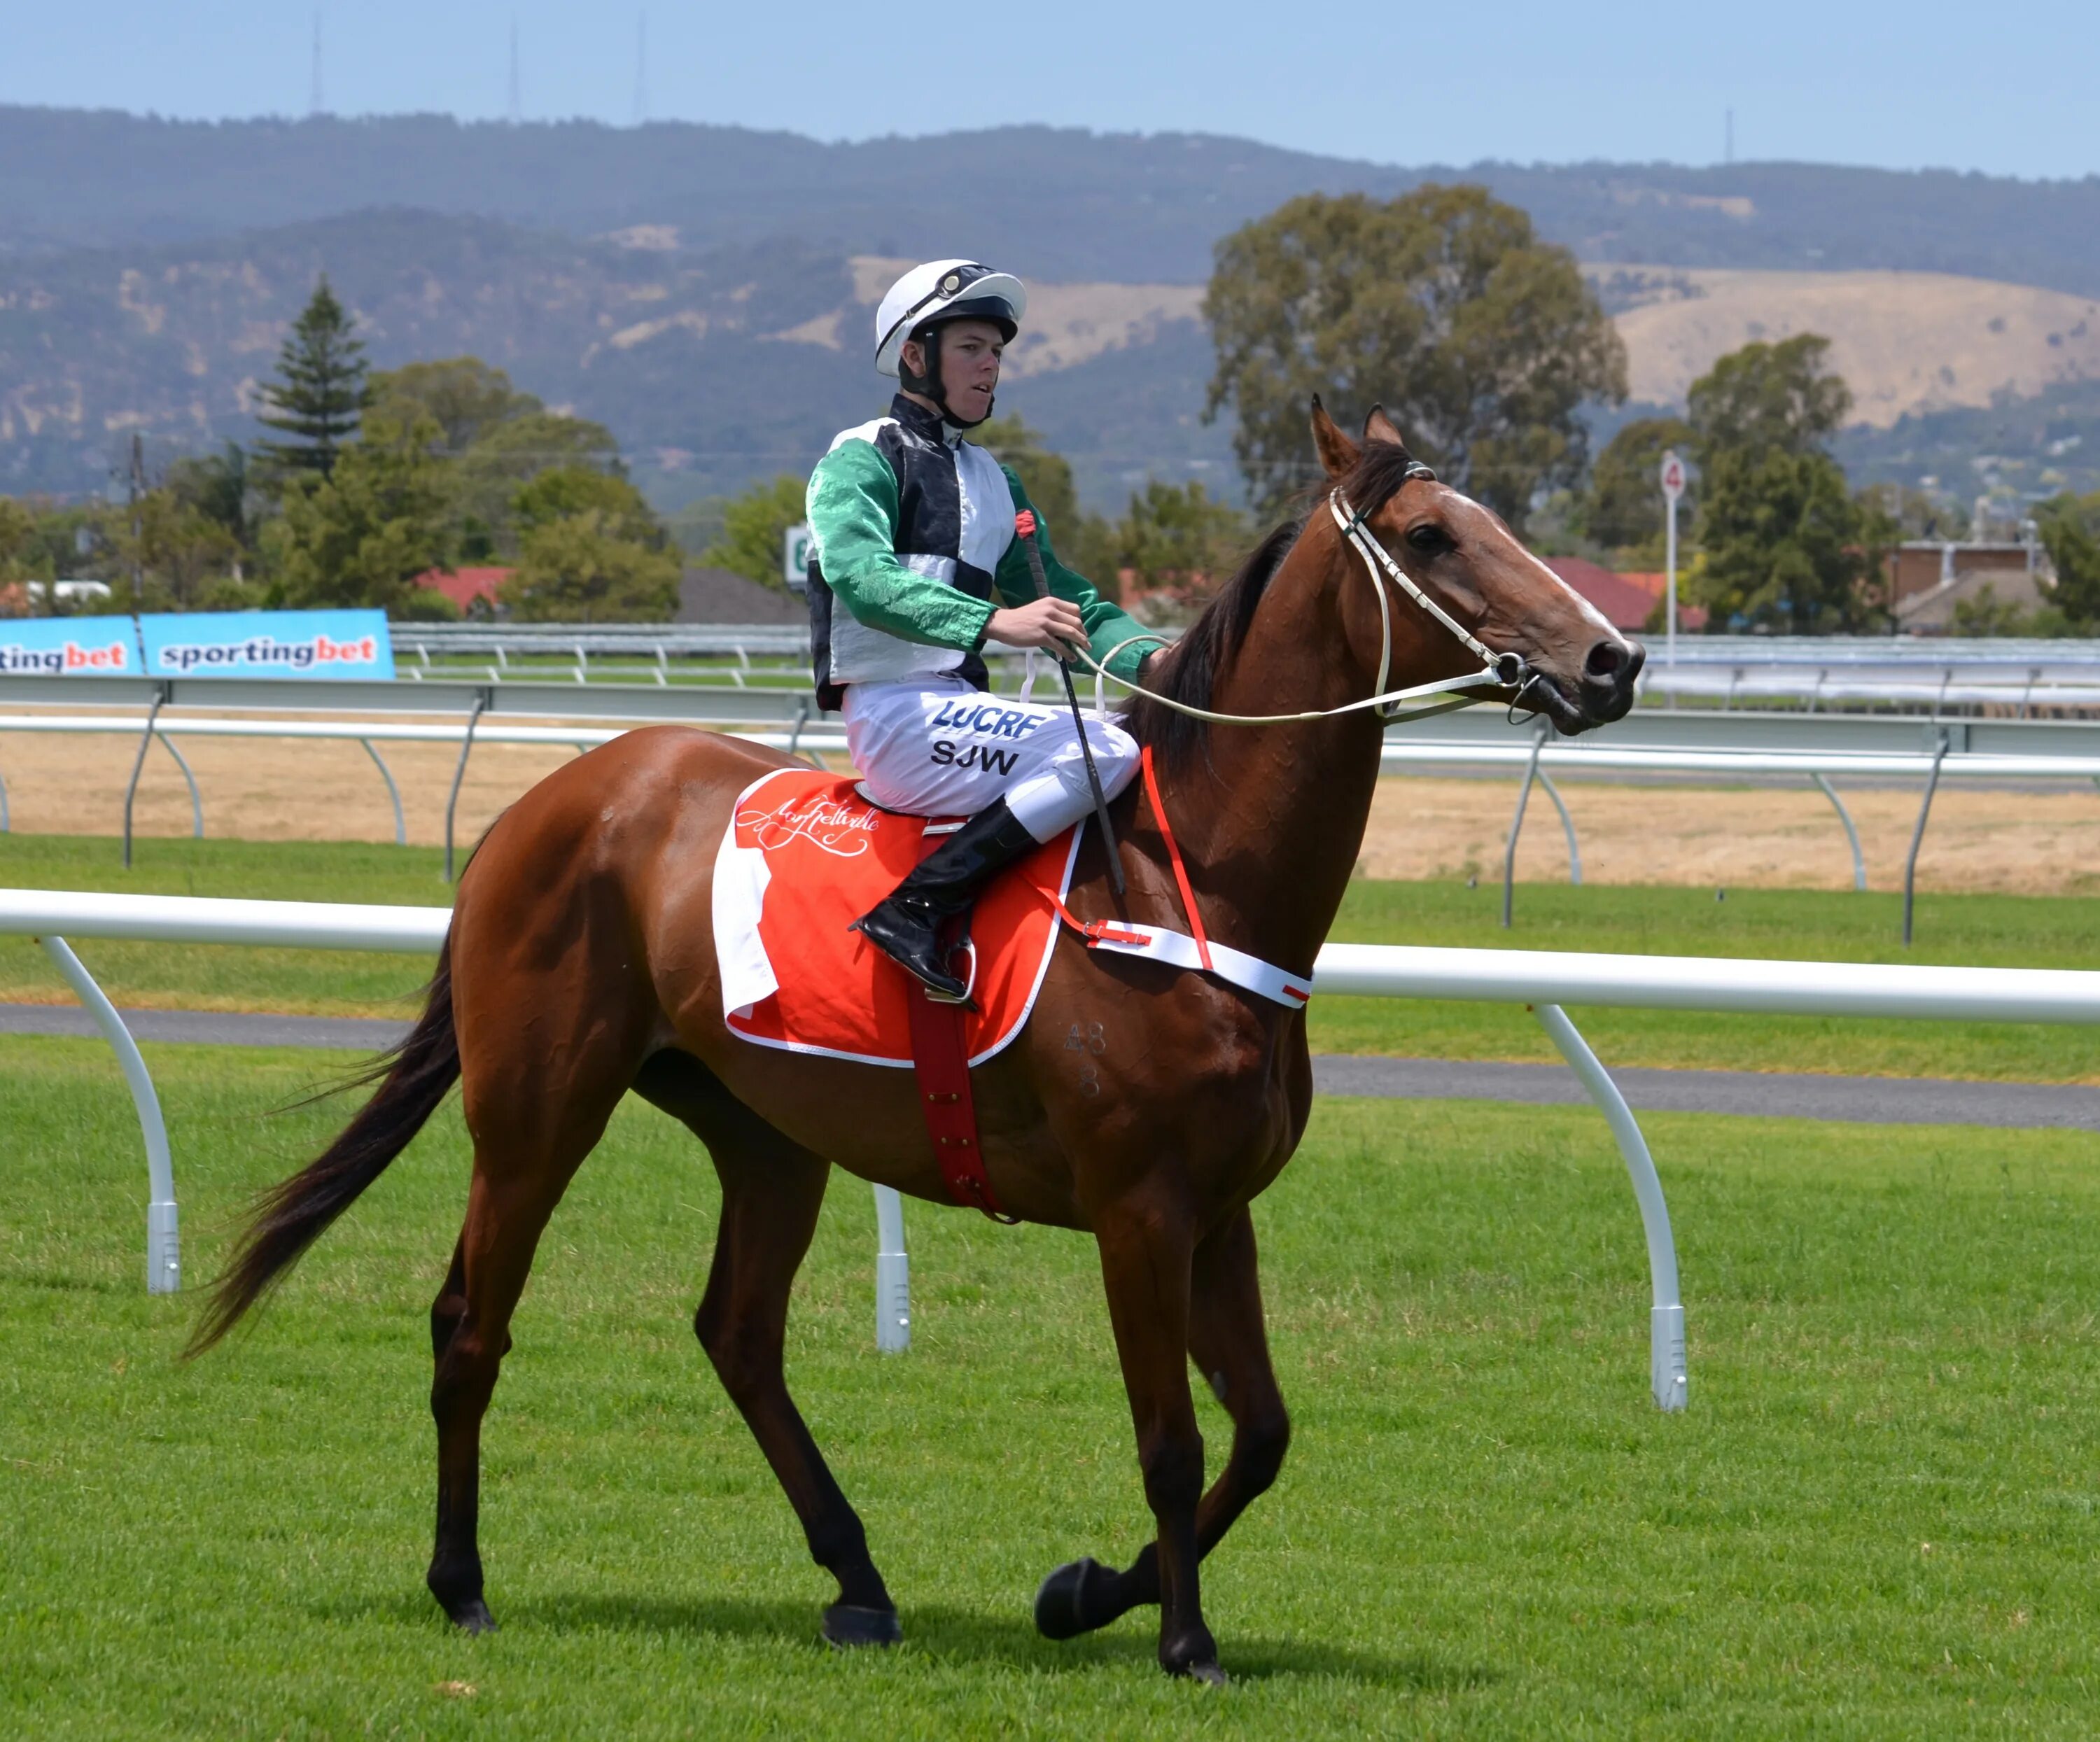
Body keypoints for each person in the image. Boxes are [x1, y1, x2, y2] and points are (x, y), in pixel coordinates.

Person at [804, 259, 1156, 1000]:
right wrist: (995, 619)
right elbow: (862, 579)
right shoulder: (860, 455)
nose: (991, 365)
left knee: (1136, 737)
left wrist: (1164, 658)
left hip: (956, 710)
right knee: (1103, 746)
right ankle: (916, 907)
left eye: (997, 350)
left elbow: (1070, 602)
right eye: (970, 346)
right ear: (914, 355)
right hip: (896, 711)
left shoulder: (999, 481)